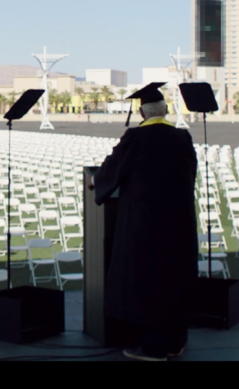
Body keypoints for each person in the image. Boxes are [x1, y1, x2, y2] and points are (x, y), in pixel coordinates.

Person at [93, 84, 198, 362]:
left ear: (142, 112)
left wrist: (97, 182)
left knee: (150, 280)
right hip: (179, 222)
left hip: (147, 223)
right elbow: (191, 174)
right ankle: (176, 342)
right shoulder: (182, 137)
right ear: (165, 110)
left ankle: (154, 347)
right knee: (175, 277)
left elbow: (111, 170)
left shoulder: (136, 138)